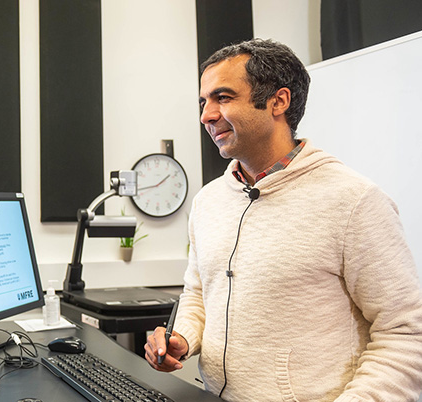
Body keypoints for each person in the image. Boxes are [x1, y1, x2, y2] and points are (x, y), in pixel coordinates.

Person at [145, 38, 422, 401]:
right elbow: (199, 294)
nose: (206, 115)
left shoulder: (355, 201)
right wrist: (181, 337)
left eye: (223, 98)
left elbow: (406, 333)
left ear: (279, 101)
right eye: (204, 101)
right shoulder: (208, 201)